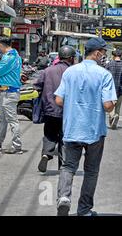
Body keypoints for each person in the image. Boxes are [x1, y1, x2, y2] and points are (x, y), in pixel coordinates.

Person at [55, 38, 117, 216]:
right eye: (103, 52)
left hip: (72, 129)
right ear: (97, 53)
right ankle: (84, 210)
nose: (104, 56)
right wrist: (112, 102)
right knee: (91, 171)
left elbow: (59, 99)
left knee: (68, 167)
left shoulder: (69, 72)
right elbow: (107, 106)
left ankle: (64, 198)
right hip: (94, 131)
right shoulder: (104, 75)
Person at [33, 45, 76, 173]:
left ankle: (46, 154)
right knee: (65, 137)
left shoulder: (47, 71)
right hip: (67, 111)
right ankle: (63, 164)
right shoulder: (73, 72)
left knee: (49, 134)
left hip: (50, 110)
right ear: (71, 58)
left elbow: (37, 86)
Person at [105, 49, 122, 130]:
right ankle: (116, 116)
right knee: (118, 106)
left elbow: (104, 76)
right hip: (120, 89)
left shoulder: (109, 64)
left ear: (113, 56)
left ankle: (112, 117)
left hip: (110, 89)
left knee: (111, 106)